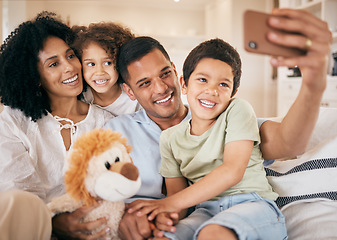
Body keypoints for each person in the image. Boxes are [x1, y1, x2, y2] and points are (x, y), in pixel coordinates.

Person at [104, 8, 332, 240]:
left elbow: (287, 142)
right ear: (129, 92)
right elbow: (175, 203)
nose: (161, 88)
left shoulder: (233, 112)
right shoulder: (122, 133)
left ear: (175, 72)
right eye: (145, 83)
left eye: (164, 74)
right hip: (202, 212)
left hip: (247, 208)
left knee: (212, 233)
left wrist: (312, 86)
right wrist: (162, 217)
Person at [126, 38, 287, 240]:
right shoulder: (169, 139)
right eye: (203, 80)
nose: (212, 90)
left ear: (233, 93)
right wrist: (162, 217)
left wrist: (167, 204)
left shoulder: (238, 109)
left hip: (251, 205)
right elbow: (178, 200)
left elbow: (232, 172)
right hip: (206, 211)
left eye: (223, 84)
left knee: (211, 234)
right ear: (184, 83)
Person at [0, 12, 113, 239]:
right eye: (53, 64)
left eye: (70, 56)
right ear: (34, 76)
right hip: (30, 227)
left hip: (94, 225)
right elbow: (17, 191)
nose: (70, 67)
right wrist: (52, 221)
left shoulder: (106, 122)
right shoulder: (14, 121)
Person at [72, 22, 142, 116]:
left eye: (108, 63)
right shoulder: (80, 98)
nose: (99, 72)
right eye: (91, 64)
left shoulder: (135, 100)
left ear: (120, 62)